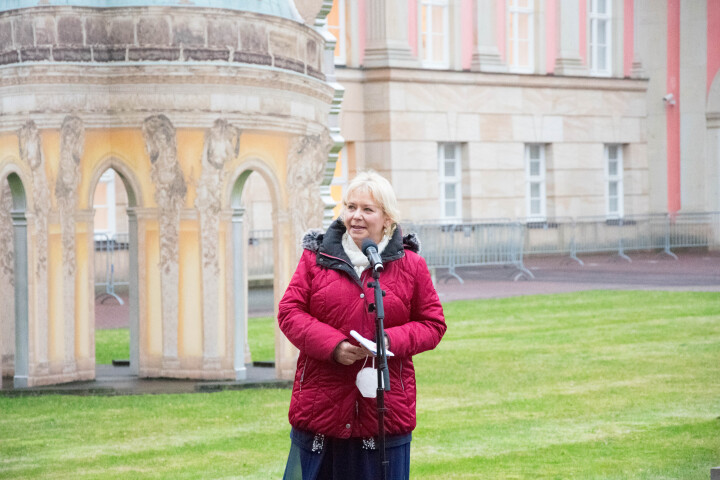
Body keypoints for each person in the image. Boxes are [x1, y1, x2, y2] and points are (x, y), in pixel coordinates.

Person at [278, 170, 447, 479]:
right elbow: (290, 312)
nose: (356, 216)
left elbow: (433, 323)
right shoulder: (315, 258)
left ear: (387, 219)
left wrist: (388, 342)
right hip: (320, 406)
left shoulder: (411, 265)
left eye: (367, 209)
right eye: (350, 207)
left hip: (384, 409)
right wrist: (333, 346)